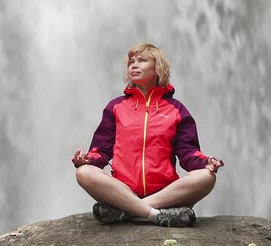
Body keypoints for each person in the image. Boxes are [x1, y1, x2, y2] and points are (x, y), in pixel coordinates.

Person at [72, 43, 224, 227]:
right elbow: (101, 150)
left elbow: (188, 152)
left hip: (165, 192)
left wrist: (206, 162)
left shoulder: (176, 109)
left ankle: (129, 210)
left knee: (207, 176)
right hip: (124, 189)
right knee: (84, 173)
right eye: (131, 62)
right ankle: (155, 215)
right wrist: (86, 161)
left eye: (142, 60)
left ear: (158, 69)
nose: (133, 65)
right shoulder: (116, 107)